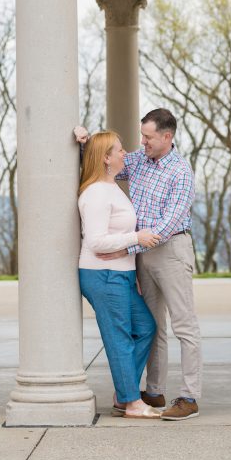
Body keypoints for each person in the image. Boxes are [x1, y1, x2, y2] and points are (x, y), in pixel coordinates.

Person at [76, 108, 201, 421]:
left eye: (147, 137)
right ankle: (152, 390)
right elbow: (103, 160)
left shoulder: (181, 171)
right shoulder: (138, 160)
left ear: (166, 137)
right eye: (141, 135)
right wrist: (82, 141)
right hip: (138, 253)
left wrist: (128, 243)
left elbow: (170, 221)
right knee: (153, 324)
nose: (141, 142)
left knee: (184, 325)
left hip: (169, 249)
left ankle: (189, 396)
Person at [78, 130, 162, 419]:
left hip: (122, 274)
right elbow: (96, 242)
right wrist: (137, 238)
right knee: (120, 338)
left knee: (146, 328)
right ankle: (132, 402)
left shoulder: (112, 186)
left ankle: (123, 393)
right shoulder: (96, 193)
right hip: (103, 275)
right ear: (105, 159)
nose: (125, 153)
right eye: (119, 150)